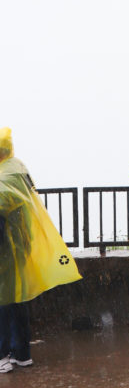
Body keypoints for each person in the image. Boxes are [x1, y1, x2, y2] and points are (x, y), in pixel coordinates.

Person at [0, 127, 82, 372]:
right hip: (17, 245)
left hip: (8, 247)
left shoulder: (8, 171)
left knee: (4, 301)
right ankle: (21, 352)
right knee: (17, 298)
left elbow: (4, 200)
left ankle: (3, 355)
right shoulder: (17, 167)